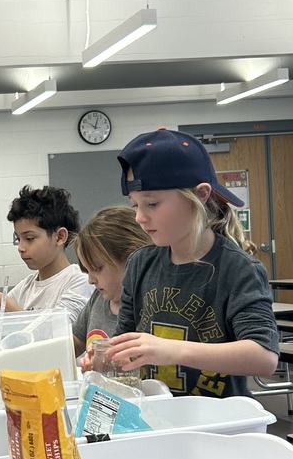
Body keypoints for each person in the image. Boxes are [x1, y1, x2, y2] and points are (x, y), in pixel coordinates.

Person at [100, 128, 279, 398]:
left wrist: (171, 350)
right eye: (135, 205)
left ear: (201, 195)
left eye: (152, 204)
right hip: (155, 415)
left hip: (216, 423)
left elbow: (263, 357)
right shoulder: (140, 264)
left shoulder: (238, 269)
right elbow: (126, 340)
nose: (139, 217)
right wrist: (107, 355)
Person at [0, 185, 93, 323]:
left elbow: (59, 332)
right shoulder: (25, 287)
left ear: (60, 237)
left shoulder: (80, 281)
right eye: (18, 239)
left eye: (29, 239)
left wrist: (4, 303)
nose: (21, 248)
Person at [72, 205, 150, 363]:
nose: (91, 280)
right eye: (87, 271)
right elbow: (76, 341)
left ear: (131, 259)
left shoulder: (149, 306)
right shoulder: (98, 298)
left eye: (97, 268)